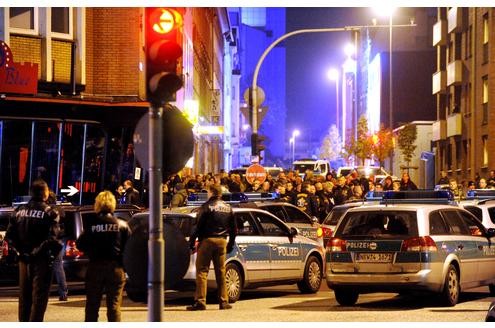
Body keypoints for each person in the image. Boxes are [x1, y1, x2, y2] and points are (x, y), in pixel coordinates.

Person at [6, 179, 62, 321]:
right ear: (45, 193)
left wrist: (20, 253)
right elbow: (53, 239)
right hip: (41, 261)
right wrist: (36, 253)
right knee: (39, 299)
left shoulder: (18, 211)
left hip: (23, 261)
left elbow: (10, 237)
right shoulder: (50, 213)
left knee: (24, 298)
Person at [76, 191, 132, 322]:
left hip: (95, 266)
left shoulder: (91, 225)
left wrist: (91, 252)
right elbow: (130, 247)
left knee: (92, 306)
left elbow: (80, 244)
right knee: (113, 307)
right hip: (116, 268)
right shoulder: (122, 225)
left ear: (98, 205)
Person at [187, 184, 237, 311]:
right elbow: (233, 229)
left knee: (202, 272)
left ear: (211, 192)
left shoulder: (206, 207)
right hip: (222, 241)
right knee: (221, 271)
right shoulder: (228, 207)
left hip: (207, 241)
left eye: (208, 191)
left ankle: (200, 302)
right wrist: (231, 243)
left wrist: (192, 242)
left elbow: (197, 227)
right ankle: (224, 301)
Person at [47, 191, 68, 302]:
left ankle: (43, 291)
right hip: (60, 241)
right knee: (58, 266)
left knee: (45, 267)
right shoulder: (60, 209)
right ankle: (63, 292)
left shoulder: (47, 210)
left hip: (49, 240)